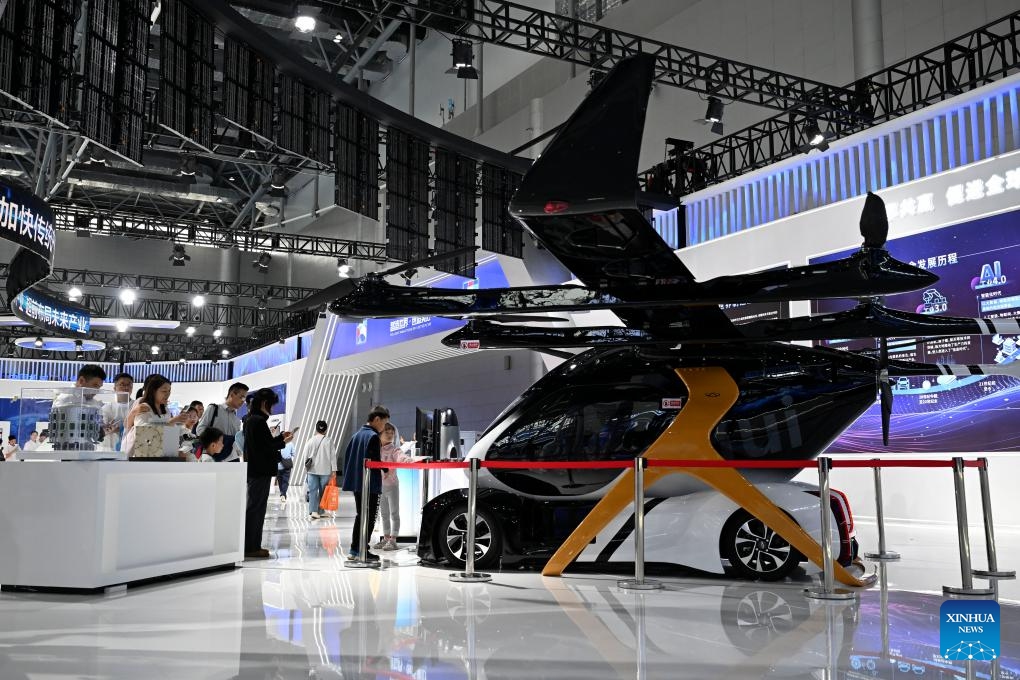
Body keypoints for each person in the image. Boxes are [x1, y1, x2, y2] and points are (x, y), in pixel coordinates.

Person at [242, 388, 293, 559]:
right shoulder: (257, 421)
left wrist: (278, 440)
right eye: (271, 405)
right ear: (265, 403)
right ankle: (251, 546)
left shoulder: (251, 419)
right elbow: (267, 447)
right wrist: (282, 440)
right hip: (260, 471)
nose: (272, 409)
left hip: (255, 471)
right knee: (256, 510)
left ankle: (251, 545)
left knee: (255, 508)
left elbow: (264, 445)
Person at [341, 405, 390, 561]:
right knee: (369, 518)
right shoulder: (373, 437)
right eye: (383, 423)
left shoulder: (357, 435)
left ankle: (355, 549)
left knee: (361, 515)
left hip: (358, 483)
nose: (384, 427)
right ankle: (363, 549)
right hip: (370, 485)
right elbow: (374, 461)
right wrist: (386, 467)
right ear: (376, 419)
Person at [373, 422, 411, 551]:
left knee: (394, 513)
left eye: (391, 433)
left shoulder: (394, 449)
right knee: (384, 514)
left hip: (392, 485)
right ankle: (386, 538)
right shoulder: (376, 449)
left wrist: (407, 460)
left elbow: (401, 456)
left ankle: (393, 540)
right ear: (380, 434)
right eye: (387, 432)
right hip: (380, 486)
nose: (390, 435)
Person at [196, 382, 248, 461]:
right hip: (214, 458)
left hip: (232, 458)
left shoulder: (237, 419)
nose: (243, 401)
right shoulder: (214, 409)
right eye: (242, 397)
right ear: (232, 394)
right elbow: (200, 430)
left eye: (244, 399)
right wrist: (216, 439)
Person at [303, 420, 336, 520]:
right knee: (323, 491)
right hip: (325, 471)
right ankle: (321, 511)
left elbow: (305, 456)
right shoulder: (329, 440)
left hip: (312, 470)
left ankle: (313, 511)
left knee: (312, 490)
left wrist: (306, 468)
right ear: (326, 430)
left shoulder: (310, 440)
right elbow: (332, 456)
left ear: (316, 429)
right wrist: (334, 470)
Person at [101, 372, 134, 451]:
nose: (126, 388)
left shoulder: (136, 406)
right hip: (110, 450)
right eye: (122, 384)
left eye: (129, 385)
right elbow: (102, 430)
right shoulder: (107, 408)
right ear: (115, 388)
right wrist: (108, 429)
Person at [271, 419, 294, 504]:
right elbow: (293, 454)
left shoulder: (277, 443)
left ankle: (282, 493)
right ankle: (283, 494)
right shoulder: (290, 444)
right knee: (285, 481)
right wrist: (288, 458)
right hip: (286, 464)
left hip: (279, 465)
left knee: (281, 480)